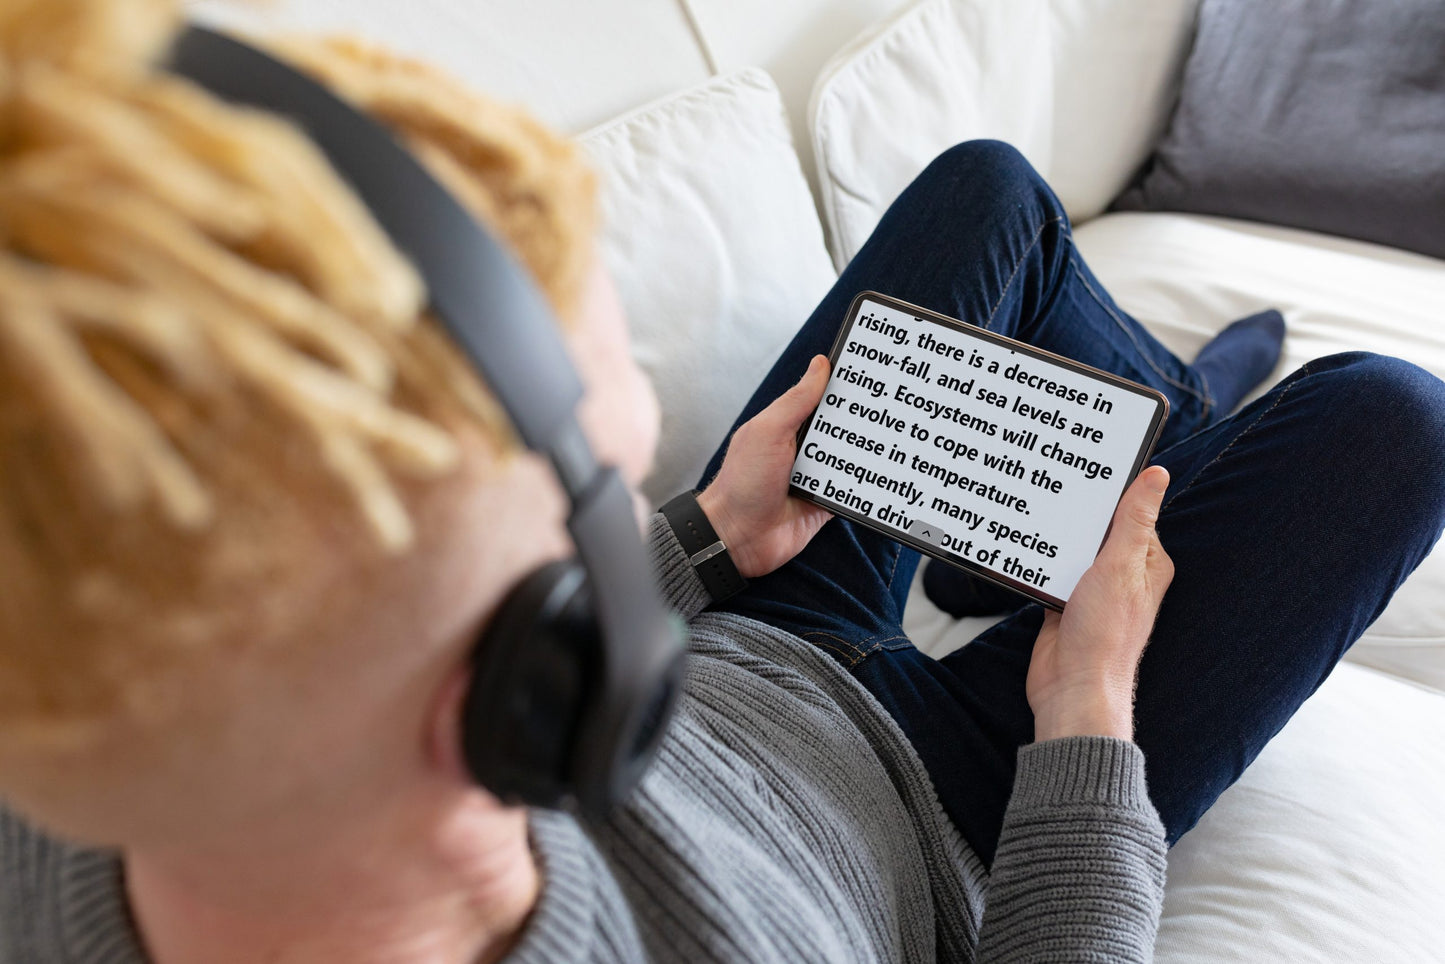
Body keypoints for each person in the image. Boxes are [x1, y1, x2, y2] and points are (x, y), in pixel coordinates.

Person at [3, 4, 1444, 962]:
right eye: (599, 479)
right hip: (969, 801)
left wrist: (702, 534)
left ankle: (1163, 431)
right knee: (1393, 419)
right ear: (516, 686)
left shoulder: (66, 731)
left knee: (987, 196)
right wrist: (1086, 713)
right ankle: (1174, 438)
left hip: (760, 619)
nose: (635, 497)